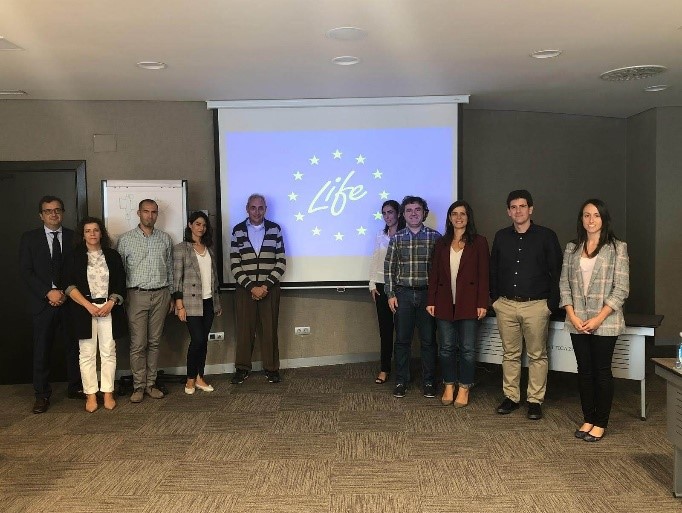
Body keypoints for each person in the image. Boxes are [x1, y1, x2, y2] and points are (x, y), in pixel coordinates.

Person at [560, 199, 629, 442]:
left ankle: (601, 422)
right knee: (584, 371)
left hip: (605, 321)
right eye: (586, 215)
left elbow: (621, 289)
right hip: (577, 321)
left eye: (596, 215)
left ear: (604, 219)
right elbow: (564, 284)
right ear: (581, 219)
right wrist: (571, 314)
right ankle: (588, 418)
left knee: (601, 372)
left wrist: (599, 318)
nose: (591, 220)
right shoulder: (572, 248)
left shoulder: (617, 248)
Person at [490, 189, 562, 420]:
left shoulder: (546, 236)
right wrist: (495, 300)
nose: (518, 210)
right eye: (513, 207)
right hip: (506, 305)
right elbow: (493, 270)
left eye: (522, 206)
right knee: (510, 354)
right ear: (508, 211)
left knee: (537, 355)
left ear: (531, 209)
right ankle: (511, 397)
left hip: (537, 305)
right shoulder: (501, 236)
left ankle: (535, 400)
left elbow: (557, 272)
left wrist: (551, 304)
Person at [19, 195, 83, 414]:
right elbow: (26, 271)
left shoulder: (74, 237)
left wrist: (65, 292)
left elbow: (77, 270)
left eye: (57, 210)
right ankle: (42, 395)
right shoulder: (29, 238)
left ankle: (75, 387)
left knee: (74, 348)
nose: (53, 214)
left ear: (62, 213)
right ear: (41, 215)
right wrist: (48, 292)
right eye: (48, 211)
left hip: (69, 302)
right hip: (43, 304)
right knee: (42, 350)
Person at [427, 201, 489, 408]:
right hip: (444, 302)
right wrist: (431, 300)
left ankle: (464, 387)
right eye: (454, 213)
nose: (458, 217)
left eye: (462, 214)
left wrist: (482, 303)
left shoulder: (479, 242)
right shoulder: (441, 243)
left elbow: (483, 276)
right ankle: (449, 385)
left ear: (468, 217)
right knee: (445, 348)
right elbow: (434, 274)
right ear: (449, 217)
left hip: (469, 303)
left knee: (468, 349)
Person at [62, 217, 127, 412]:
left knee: (108, 352)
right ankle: (90, 395)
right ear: (82, 234)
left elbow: (120, 283)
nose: (92, 234)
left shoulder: (113, 256)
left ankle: (107, 392)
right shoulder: (74, 256)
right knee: (87, 354)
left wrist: (111, 303)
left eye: (96, 230)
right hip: (84, 311)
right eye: (88, 230)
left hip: (108, 309)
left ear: (101, 233)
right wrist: (88, 306)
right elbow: (68, 286)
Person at [116, 199, 173, 403]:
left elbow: (170, 270)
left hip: (161, 294)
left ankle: (151, 384)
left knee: (154, 342)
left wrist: (172, 295)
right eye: (146, 212)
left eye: (154, 212)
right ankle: (138, 386)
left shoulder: (165, 239)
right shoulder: (125, 240)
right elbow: (119, 272)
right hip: (136, 295)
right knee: (138, 344)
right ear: (138, 213)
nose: (150, 216)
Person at [384, 195, 441, 399]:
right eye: (409, 210)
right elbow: (389, 269)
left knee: (428, 341)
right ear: (403, 215)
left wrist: (437, 297)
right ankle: (401, 380)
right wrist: (390, 294)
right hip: (404, 294)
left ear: (424, 212)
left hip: (427, 295)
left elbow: (440, 271)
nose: (414, 213)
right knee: (402, 341)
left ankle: (429, 381)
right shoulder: (397, 238)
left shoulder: (436, 237)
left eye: (417, 209)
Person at [230, 194, 286, 384]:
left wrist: (264, 286)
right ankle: (242, 368)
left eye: (260, 207)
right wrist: (252, 288)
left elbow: (281, 262)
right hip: (245, 291)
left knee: (269, 330)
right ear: (247, 208)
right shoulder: (237, 231)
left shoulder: (275, 230)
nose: (256, 211)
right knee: (245, 331)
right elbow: (235, 264)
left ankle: (271, 369)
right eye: (253, 207)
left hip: (269, 290)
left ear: (265, 209)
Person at [173, 211, 222, 395]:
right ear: (190, 225)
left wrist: (217, 302)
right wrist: (179, 305)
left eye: (204, 225)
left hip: (209, 301)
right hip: (190, 303)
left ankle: (200, 377)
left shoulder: (209, 249)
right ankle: (190, 378)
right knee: (197, 340)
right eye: (198, 224)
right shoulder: (181, 249)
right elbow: (176, 279)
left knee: (203, 342)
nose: (201, 228)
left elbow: (213, 277)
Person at [369, 199, 405, 385]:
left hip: (401, 287)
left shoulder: (406, 235)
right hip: (382, 287)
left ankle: (401, 370)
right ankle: (384, 369)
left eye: (390, 212)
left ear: (398, 213)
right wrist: (372, 284)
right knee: (385, 331)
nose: (387, 216)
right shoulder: (380, 235)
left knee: (402, 332)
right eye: (384, 213)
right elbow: (375, 260)